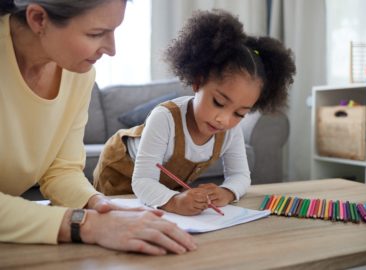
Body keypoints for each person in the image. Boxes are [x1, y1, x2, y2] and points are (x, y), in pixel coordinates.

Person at [0, 0, 197, 255]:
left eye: (114, 31)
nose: (112, 49)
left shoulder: (78, 73)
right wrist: (88, 225)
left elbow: (60, 169)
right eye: (96, 34)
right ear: (38, 19)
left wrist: (101, 206)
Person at [93, 9, 296, 216]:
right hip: (119, 174)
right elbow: (143, 180)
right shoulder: (164, 118)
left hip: (159, 186)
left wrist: (226, 192)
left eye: (240, 114)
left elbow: (241, 176)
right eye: (218, 102)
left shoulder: (229, 131)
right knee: (117, 218)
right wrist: (174, 202)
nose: (224, 120)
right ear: (198, 82)